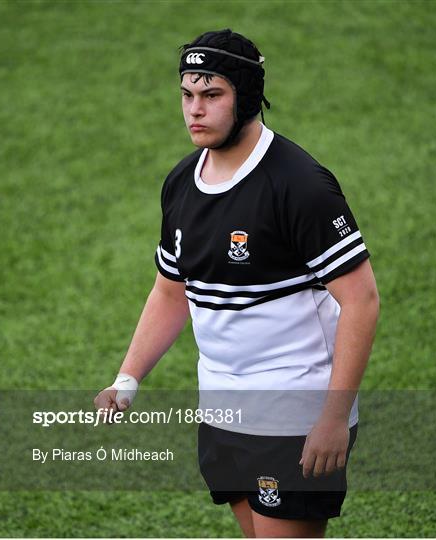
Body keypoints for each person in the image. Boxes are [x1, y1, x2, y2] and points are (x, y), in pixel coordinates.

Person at [94, 29, 379, 538]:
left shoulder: (300, 185)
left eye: (211, 95)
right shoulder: (183, 181)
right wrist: (128, 378)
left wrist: (333, 417)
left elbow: (361, 302)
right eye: (187, 95)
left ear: (245, 97)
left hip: (295, 406)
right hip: (222, 404)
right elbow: (170, 289)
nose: (194, 110)